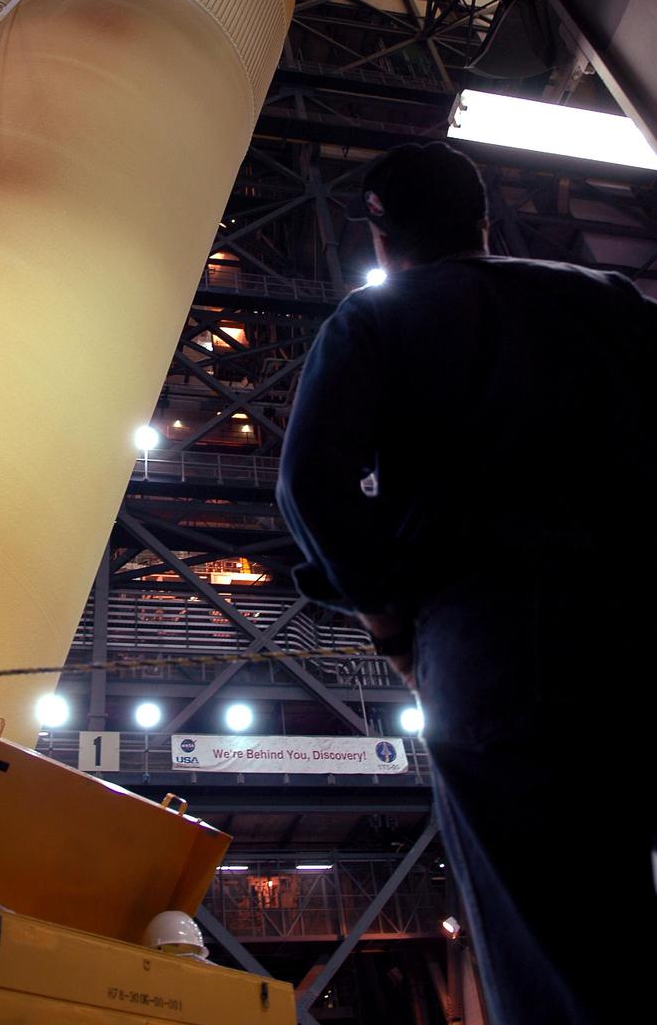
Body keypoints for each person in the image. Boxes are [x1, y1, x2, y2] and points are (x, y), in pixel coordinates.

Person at [276, 141, 656, 1024]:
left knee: (546, 937)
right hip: (636, 628)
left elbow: (309, 485)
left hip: (489, 647)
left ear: (377, 229)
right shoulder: (604, 299)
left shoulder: (377, 319)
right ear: (481, 215)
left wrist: (387, 624)